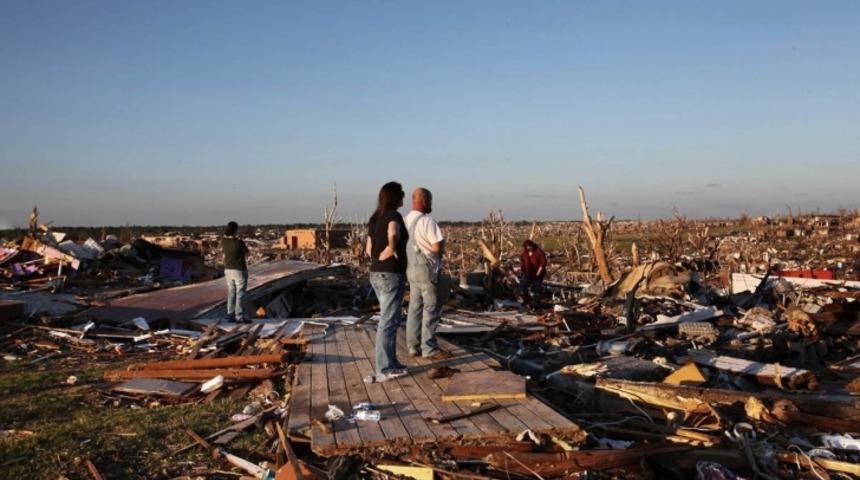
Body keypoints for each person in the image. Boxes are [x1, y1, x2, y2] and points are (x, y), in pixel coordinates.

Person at [366, 181, 409, 380]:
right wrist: (392, 248)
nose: (404, 197)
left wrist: (378, 256)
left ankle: (391, 362)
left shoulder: (375, 218)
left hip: (376, 272)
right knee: (388, 320)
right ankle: (385, 367)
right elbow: (393, 231)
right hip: (391, 274)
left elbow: (368, 249)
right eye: (401, 194)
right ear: (395, 197)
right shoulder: (394, 216)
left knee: (389, 319)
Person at [404, 188, 451, 360]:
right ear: (424, 201)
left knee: (414, 308)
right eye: (430, 201)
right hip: (426, 269)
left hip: (410, 269)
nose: (431, 204)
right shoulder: (427, 221)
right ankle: (429, 348)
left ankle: (412, 345)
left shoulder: (404, 221)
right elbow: (437, 246)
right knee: (431, 308)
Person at [222, 221, 250, 323]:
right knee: (240, 294)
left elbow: (226, 237)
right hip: (239, 270)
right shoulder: (239, 242)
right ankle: (239, 316)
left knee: (231, 293)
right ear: (235, 230)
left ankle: (230, 315)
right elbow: (247, 253)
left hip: (228, 270)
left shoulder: (223, 241)